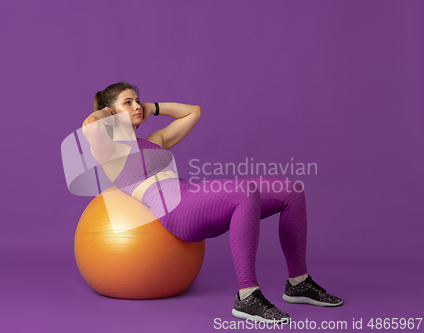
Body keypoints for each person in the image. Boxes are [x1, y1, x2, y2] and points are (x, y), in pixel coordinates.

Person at [82, 82, 342, 324]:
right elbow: (91, 123)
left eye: (138, 100)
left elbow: (193, 112)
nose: (137, 105)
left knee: (290, 191)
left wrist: (153, 108)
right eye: (128, 102)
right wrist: (110, 113)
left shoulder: (155, 141)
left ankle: (299, 282)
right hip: (175, 212)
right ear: (110, 110)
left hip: (190, 196)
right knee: (245, 192)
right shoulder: (110, 150)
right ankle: (247, 296)